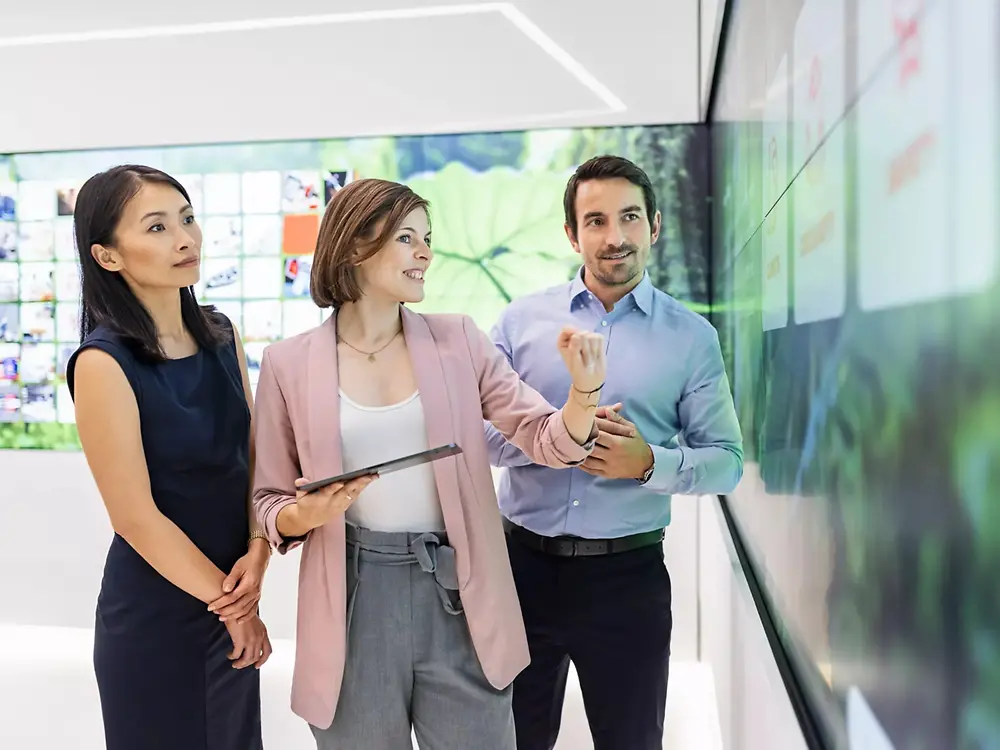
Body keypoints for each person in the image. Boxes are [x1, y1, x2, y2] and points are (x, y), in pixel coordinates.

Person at [251, 177, 606, 750]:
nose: (425, 254)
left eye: (428, 239)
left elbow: (543, 439)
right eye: (407, 238)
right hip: (352, 598)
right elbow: (267, 501)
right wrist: (303, 514)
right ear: (355, 245)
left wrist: (583, 395)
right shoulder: (287, 364)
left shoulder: (458, 339)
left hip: (457, 587)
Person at [486, 155, 744, 750]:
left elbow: (726, 459)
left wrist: (648, 463)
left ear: (654, 225)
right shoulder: (520, 323)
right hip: (521, 569)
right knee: (509, 739)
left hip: (627, 578)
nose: (615, 236)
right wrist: (559, 437)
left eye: (630, 217)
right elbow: (478, 437)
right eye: (596, 221)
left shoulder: (692, 338)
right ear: (573, 234)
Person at [67, 165, 272, 750]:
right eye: (156, 227)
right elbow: (134, 518)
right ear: (108, 257)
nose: (185, 239)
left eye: (186, 219)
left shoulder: (220, 332)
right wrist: (233, 607)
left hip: (232, 590)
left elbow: (255, 460)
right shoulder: (102, 363)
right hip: (160, 612)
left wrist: (258, 556)